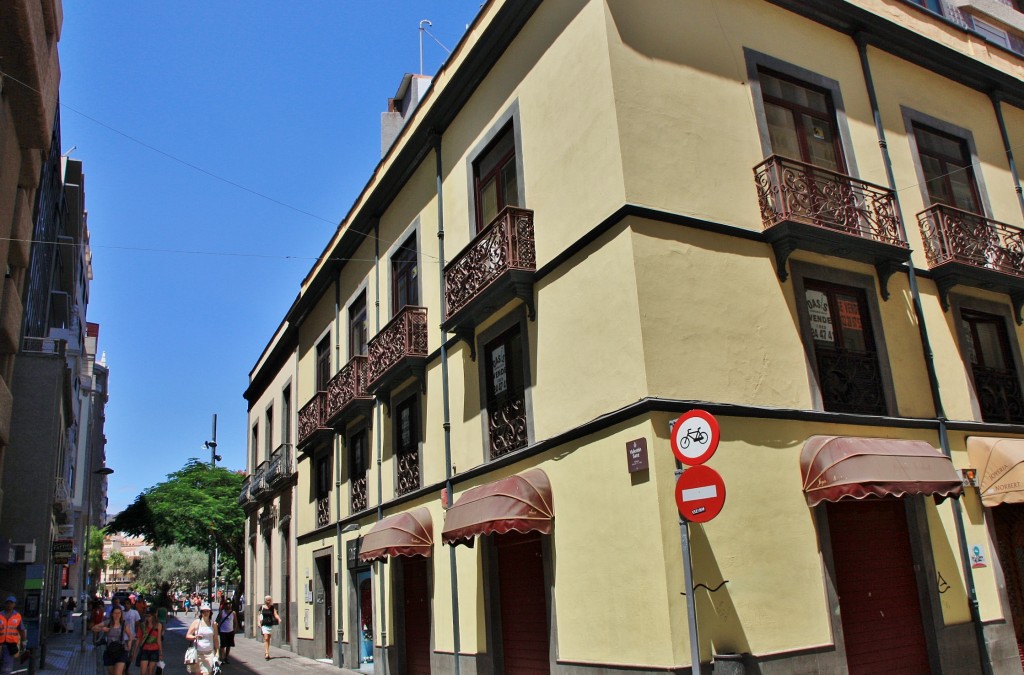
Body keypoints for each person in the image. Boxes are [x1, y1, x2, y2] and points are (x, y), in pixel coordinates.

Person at [93, 605, 133, 675]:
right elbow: (93, 628)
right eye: (115, 613)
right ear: (112, 614)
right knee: (111, 673)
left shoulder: (124, 624)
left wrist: (129, 643)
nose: (117, 615)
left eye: (119, 613)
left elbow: (130, 636)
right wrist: (102, 629)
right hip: (110, 650)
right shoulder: (108, 622)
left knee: (118, 673)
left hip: (121, 650)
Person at [185, 603, 219, 674]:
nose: (206, 613)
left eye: (207, 611)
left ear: (210, 612)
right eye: (204, 611)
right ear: (201, 613)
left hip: (209, 653)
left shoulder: (213, 624)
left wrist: (217, 652)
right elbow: (188, 635)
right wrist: (195, 637)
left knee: (208, 673)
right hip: (198, 654)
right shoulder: (196, 623)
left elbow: (215, 638)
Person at [0, 596, 26, 675]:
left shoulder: (17, 616)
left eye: (11, 603)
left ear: (14, 604)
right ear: (5, 604)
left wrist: (24, 642)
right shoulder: (0, 615)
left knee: (7, 667)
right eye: (8, 603)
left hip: (10, 645)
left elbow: (21, 630)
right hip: (0, 644)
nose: (9, 605)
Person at [122, 595, 141, 672]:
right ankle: (124, 669)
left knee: (131, 654)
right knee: (124, 654)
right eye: (125, 603)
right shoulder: (122, 613)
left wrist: (136, 634)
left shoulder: (134, 612)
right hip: (123, 637)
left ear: (130, 604)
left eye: (128, 603)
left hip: (132, 637)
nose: (126, 605)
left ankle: (126, 668)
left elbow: (137, 624)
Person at [259, 596, 280, 661]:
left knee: (268, 639)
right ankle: (267, 653)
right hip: (264, 624)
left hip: (270, 625)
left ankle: (267, 651)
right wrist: (258, 623)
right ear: (265, 600)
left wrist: (279, 618)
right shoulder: (262, 607)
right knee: (266, 638)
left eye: (270, 600)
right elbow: (259, 615)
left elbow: (275, 614)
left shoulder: (272, 607)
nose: (269, 601)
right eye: (268, 600)